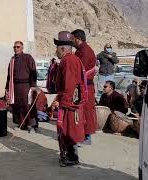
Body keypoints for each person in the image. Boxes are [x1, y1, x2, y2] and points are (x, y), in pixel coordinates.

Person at [54, 31, 87, 167]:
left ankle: (71, 158)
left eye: (57, 48)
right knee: (68, 129)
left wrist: (61, 101)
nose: (56, 51)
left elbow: (69, 84)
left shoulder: (68, 61)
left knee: (68, 130)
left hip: (69, 103)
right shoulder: (70, 59)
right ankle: (68, 156)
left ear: (62, 48)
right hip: (67, 100)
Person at [71, 29, 97, 145]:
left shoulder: (86, 52)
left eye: (73, 39)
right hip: (81, 85)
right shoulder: (79, 51)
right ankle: (80, 134)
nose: (72, 41)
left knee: (87, 110)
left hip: (86, 86)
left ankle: (87, 137)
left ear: (78, 38)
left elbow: (82, 70)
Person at [5, 41, 37, 132]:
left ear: (22, 48)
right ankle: (22, 124)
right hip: (15, 86)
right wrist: (7, 87)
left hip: (26, 86)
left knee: (28, 104)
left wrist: (33, 85)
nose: (16, 48)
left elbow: (33, 71)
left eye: (18, 47)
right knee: (18, 105)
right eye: (14, 47)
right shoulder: (12, 60)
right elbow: (9, 75)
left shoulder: (28, 57)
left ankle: (31, 125)